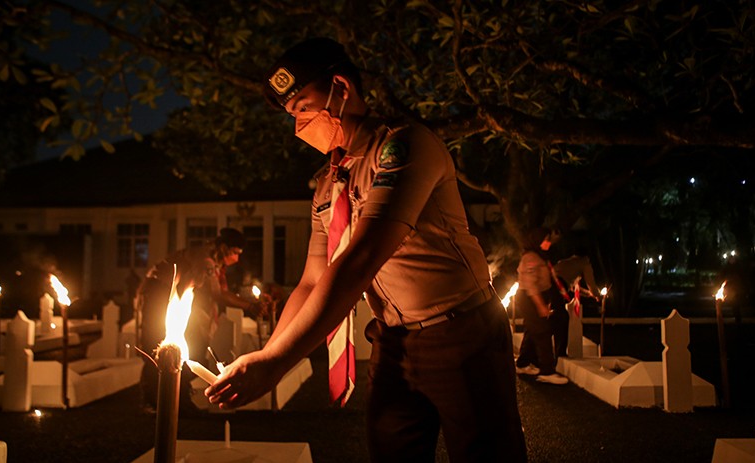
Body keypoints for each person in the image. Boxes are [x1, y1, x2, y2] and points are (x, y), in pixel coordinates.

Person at [205, 37, 527, 462]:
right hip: (393, 343)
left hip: (462, 332)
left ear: (341, 88)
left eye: (304, 106)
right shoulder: (326, 184)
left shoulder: (404, 146)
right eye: (292, 115)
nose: (299, 124)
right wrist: (266, 354)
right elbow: (312, 280)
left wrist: (277, 364)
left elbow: (360, 259)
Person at [137, 227, 265, 408]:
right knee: (158, 346)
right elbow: (218, 294)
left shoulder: (213, 261)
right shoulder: (206, 260)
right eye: (235, 253)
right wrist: (250, 306)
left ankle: (175, 398)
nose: (236, 259)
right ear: (224, 248)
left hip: (171, 296)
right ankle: (157, 401)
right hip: (159, 292)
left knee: (186, 350)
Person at [514, 227, 569, 384]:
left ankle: (522, 364)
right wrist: (540, 305)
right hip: (529, 297)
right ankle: (547, 371)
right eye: (545, 239)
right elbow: (531, 286)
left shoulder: (540, 255)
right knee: (542, 330)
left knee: (533, 330)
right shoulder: (530, 257)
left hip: (536, 296)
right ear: (537, 240)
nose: (548, 242)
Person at [550, 249, 601, 358]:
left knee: (552, 317)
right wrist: (598, 295)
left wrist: (588, 294)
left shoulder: (569, 262)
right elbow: (591, 284)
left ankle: (553, 352)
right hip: (556, 287)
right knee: (562, 318)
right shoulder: (585, 263)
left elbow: (572, 287)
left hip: (548, 284)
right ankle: (560, 354)